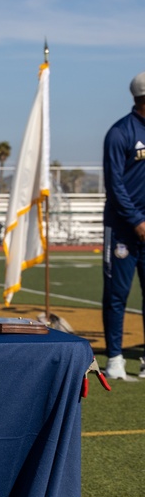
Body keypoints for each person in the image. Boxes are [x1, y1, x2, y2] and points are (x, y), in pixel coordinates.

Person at [101, 70, 145, 380]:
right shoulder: (120, 133)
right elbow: (115, 185)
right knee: (117, 295)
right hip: (122, 230)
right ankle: (115, 358)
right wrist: (137, 221)